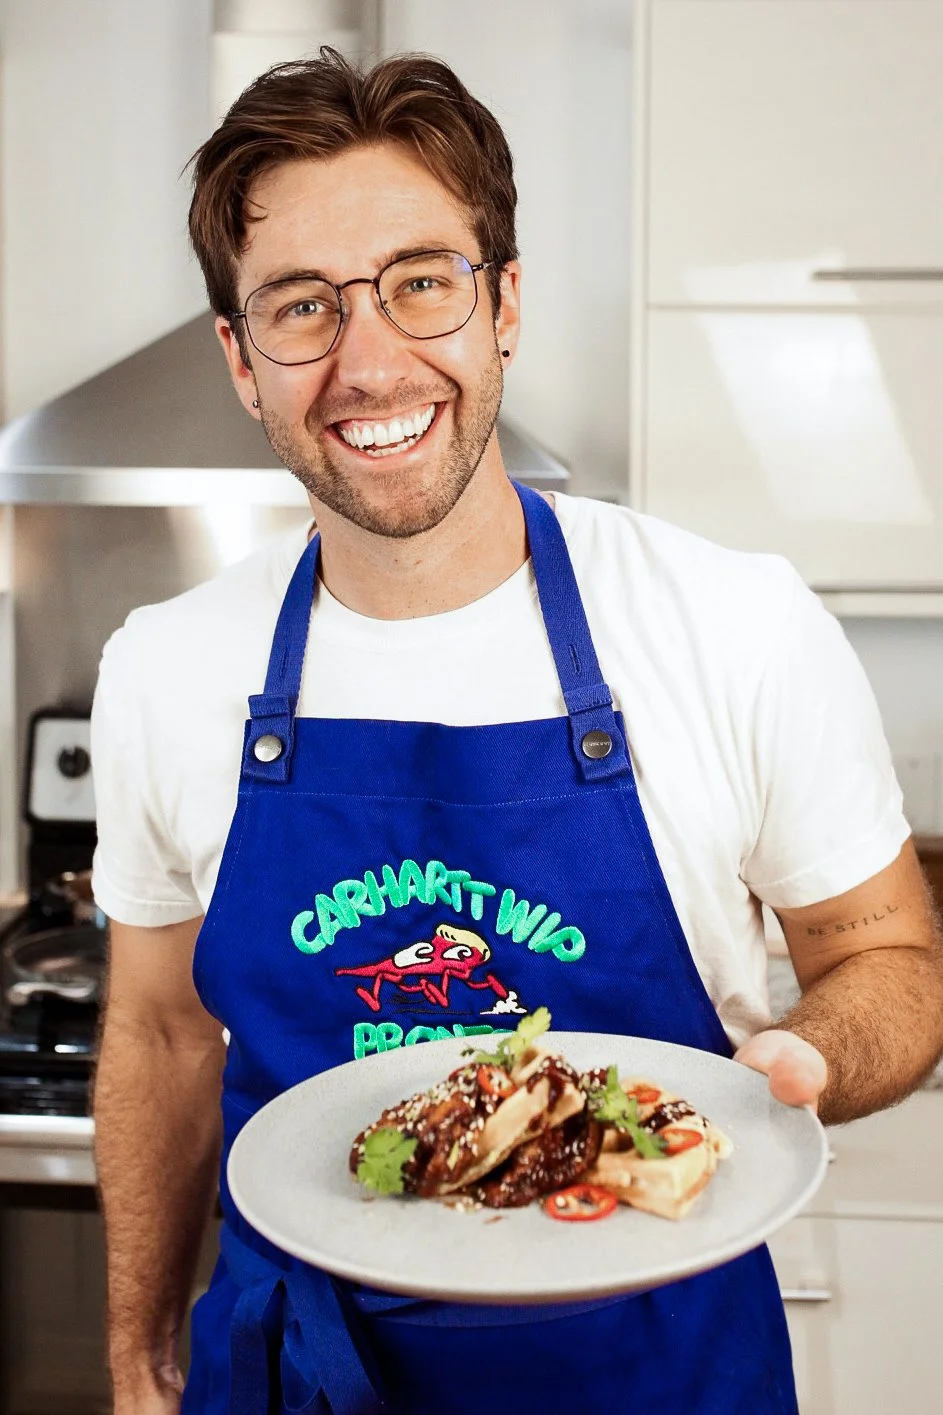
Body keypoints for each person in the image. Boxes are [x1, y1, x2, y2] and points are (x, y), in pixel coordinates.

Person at [90, 47, 943, 1415]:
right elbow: (158, 1035)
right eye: (302, 307)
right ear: (241, 362)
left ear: (504, 305)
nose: (370, 362)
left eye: (421, 280)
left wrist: (812, 1057)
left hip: (654, 1363)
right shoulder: (166, 667)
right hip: (295, 1369)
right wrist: (134, 1357)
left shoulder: (732, 624)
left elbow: (887, 955)